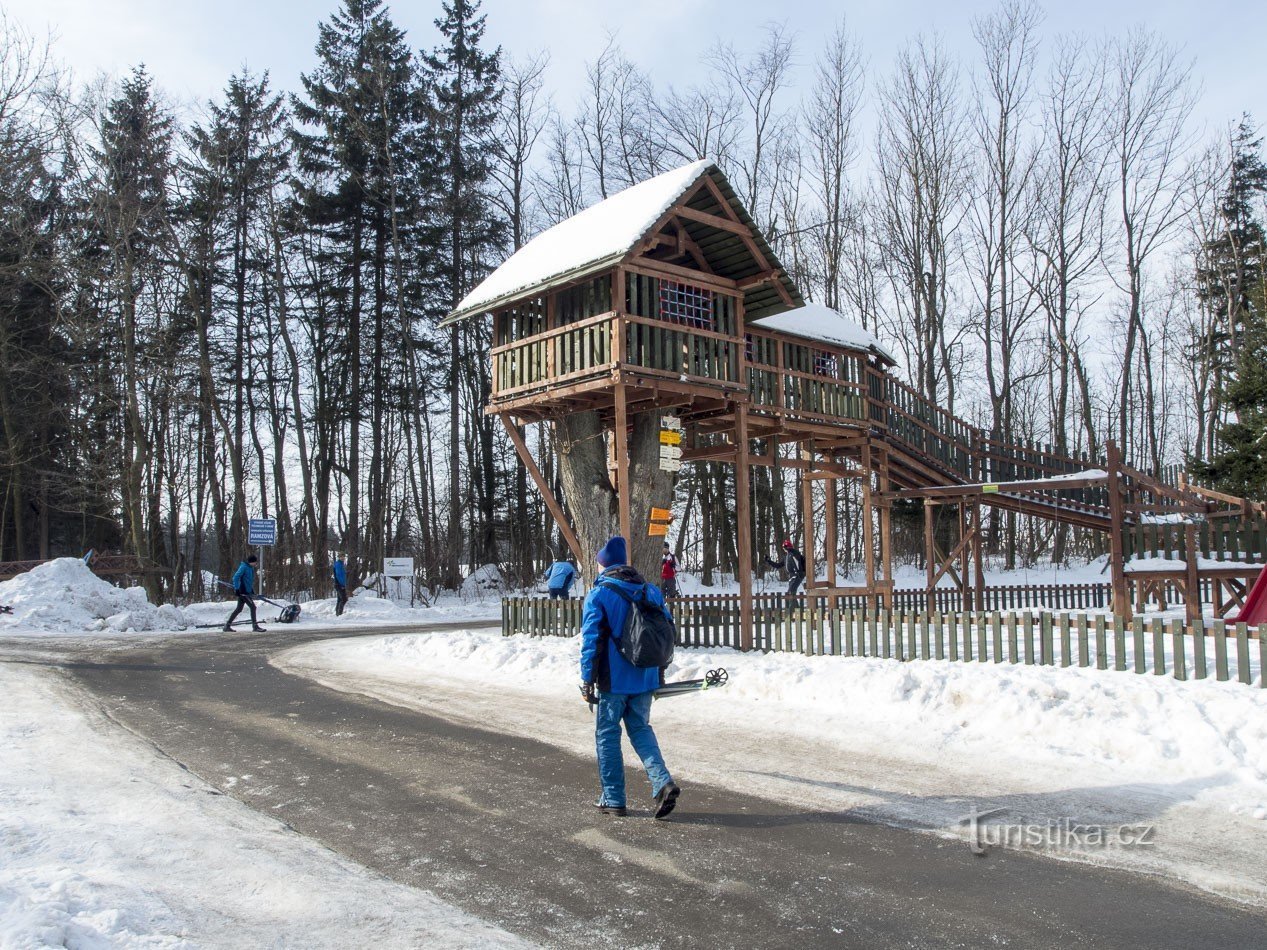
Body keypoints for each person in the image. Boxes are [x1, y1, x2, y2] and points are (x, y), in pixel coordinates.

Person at [580, 536, 680, 820]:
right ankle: (662, 782)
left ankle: (613, 798)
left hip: (614, 681)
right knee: (640, 729)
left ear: (603, 565)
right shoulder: (649, 590)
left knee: (608, 735)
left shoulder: (599, 594)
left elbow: (591, 641)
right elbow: (665, 634)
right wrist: (658, 674)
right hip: (646, 675)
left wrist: (588, 679)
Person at [224, 554, 264, 632]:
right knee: (253, 607)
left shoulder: (250, 568)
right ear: (251, 562)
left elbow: (248, 581)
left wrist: (251, 590)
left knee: (239, 609)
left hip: (247, 591)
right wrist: (237, 589)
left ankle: (227, 625)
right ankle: (255, 626)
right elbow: (235, 577)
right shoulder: (244, 567)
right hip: (243, 592)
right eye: (255, 562)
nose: (256, 564)